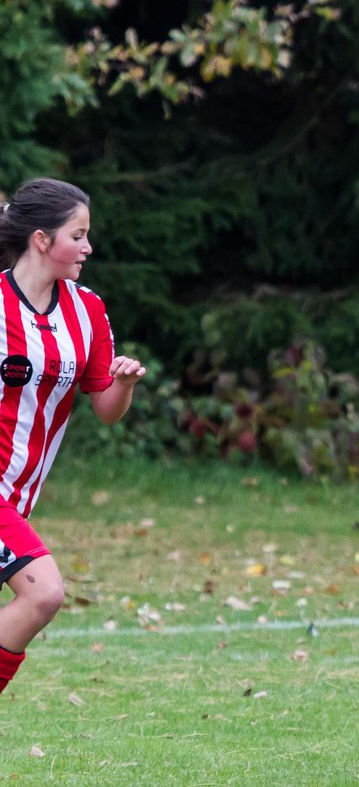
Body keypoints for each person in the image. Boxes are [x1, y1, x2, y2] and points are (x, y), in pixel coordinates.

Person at [0, 178, 146, 698]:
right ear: (42, 240)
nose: (87, 247)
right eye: (77, 235)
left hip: (19, 499)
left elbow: (106, 411)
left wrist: (122, 385)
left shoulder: (88, 311)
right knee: (43, 595)